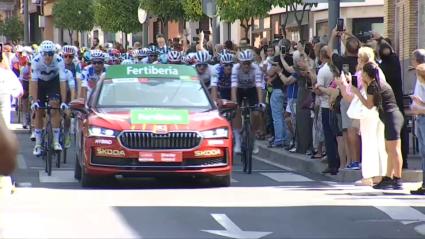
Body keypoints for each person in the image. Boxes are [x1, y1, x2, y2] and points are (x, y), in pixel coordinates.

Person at [352, 62, 404, 190]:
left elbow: (369, 105)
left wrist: (357, 93)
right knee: (389, 150)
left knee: (394, 150)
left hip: (392, 117)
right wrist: (364, 87)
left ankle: (397, 179)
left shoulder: (374, 85)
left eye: (362, 72)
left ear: (365, 74)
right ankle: (389, 177)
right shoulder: (376, 84)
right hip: (391, 117)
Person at [329, 27, 362, 170]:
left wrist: (332, 35)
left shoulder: (342, 61)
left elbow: (329, 52)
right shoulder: (364, 62)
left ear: (346, 49)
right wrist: (349, 34)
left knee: (349, 130)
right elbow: (360, 46)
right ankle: (358, 160)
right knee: (361, 131)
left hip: (347, 96)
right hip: (363, 96)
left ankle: (353, 161)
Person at [30, 40, 68, 156]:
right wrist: (34, 101)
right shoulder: (36, 61)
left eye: (50, 54)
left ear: (54, 54)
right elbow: (34, 82)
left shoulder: (59, 60)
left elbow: (62, 82)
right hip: (40, 84)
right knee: (39, 110)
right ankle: (38, 144)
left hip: (53, 83)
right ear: (41, 53)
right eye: (45, 54)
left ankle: (56, 141)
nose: (48, 57)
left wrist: (64, 102)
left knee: (55, 105)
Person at [377, 39, 409, 169]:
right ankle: (403, 162)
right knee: (401, 134)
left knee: (390, 137)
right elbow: (394, 53)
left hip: (387, 106)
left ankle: (391, 167)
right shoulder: (395, 63)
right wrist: (381, 40)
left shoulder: (381, 69)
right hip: (398, 105)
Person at [231, 49, 265, 154]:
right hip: (239, 90)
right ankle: (237, 141)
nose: (246, 65)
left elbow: (259, 86)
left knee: (256, 113)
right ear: (240, 63)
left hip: (251, 90)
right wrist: (235, 103)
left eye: (248, 63)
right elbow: (233, 87)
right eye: (244, 63)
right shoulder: (235, 69)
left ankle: (253, 139)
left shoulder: (256, 69)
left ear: (251, 62)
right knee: (236, 111)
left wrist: (260, 103)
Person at [315, 46, 340, 175]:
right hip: (338, 105)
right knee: (339, 136)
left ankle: (332, 164)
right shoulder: (336, 69)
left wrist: (316, 89)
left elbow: (318, 89)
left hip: (326, 105)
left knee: (329, 136)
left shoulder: (323, 70)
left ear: (321, 56)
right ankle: (340, 161)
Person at [409, 49, 425, 195]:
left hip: (423, 118)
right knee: (422, 152)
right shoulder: (420, 81)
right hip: (420, 118)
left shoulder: (422, 79)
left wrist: (420, 109)